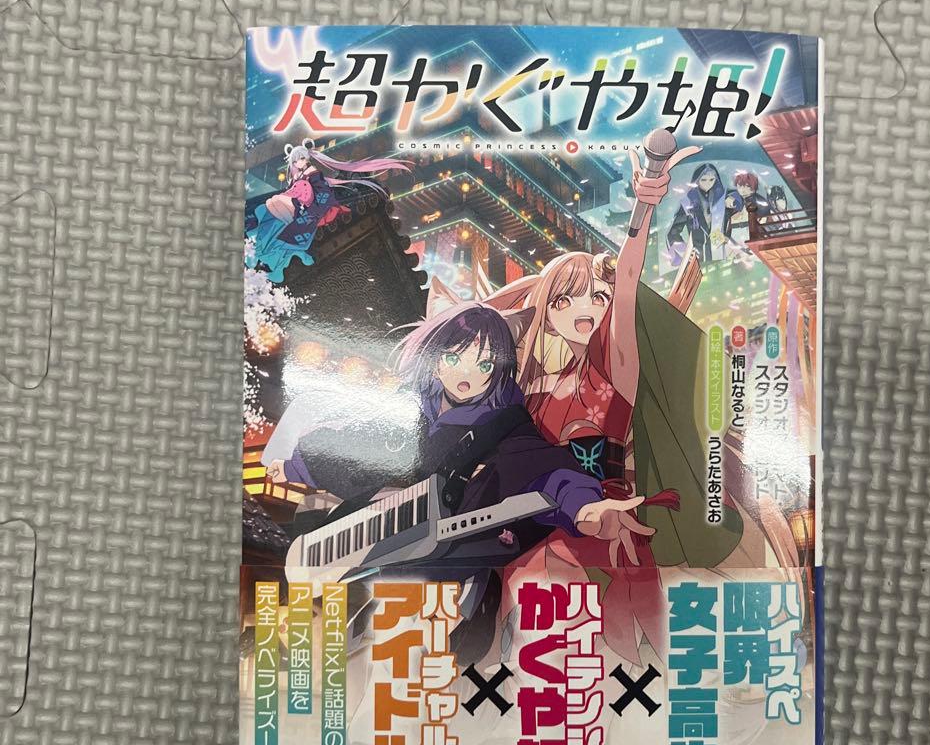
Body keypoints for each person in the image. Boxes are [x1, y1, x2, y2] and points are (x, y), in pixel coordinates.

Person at [269, 302, 651, 662]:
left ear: (498, 369)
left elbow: (545, 469)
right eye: (453, 359)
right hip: (376, 529)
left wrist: (585, 507)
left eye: (483, 364)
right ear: (435, 359)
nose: (466, 376)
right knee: (323, 557)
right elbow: (357, 444)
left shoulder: (504, 423)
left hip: (446, 553)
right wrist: (296, 467)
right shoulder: (410, 403)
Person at [486, 140, 702, 663]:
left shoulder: (612, 372)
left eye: (597, 297)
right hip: (527, 530)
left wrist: (642, 209)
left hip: (608, 529)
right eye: (566, 297)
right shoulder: (519, 385)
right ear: (547, 308)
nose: (586, 306)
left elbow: (626, 282)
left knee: (629, 664)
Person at [246, 138, 410, 282]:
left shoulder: (313, 175)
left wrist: (310, 209)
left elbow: (322, 194)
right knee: (274, 227)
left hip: (309, 211)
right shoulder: (299, 178)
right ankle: (264, 257)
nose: (299, 162)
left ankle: (270, 263)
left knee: (286, 237)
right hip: (297, 209)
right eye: (296, 160)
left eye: (301, 158)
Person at [666, 162, 726, 265]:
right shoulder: (687, 202)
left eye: (712, 179)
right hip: (699, 255)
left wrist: (734, 199)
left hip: (719, 253)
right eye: (703, 180)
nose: (708, 183)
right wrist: (686, 253)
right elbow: (672, 233)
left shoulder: (721, 197)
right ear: (697, 180)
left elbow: (736, 196)